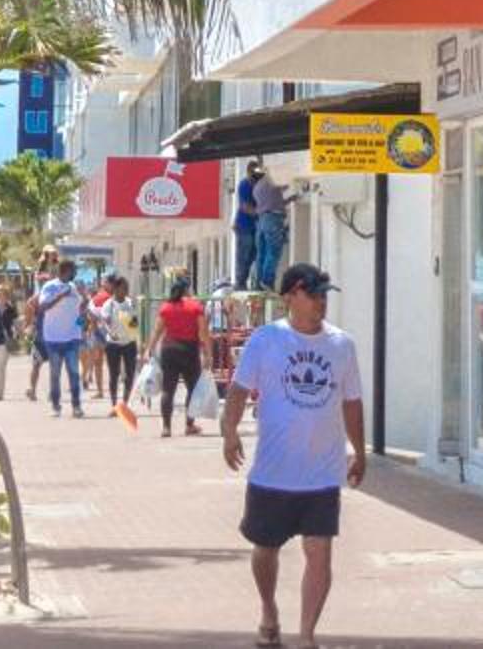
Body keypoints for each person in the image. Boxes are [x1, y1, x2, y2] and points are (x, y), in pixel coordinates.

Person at [221, 263, 365, 649]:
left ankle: (306, 635)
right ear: (290, 296)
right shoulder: (266, 340)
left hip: (322, 473)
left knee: (320, 552)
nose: (321, 301)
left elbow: (352, 403)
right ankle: (269, 610)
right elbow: (238, 390)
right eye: (314, 293)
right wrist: (229, 432)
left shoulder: (341, 345)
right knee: (265, 550)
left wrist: (360, 451)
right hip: (273, 472)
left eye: (324, 294)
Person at [153, 273, 208, 437]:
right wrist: (208, 353)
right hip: (189, 350)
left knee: (168, 390)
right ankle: (189, 425)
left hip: (169, 350)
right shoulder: (195, 307)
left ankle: (166, 427)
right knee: (192, 388)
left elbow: (158, 331)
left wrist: (149, 348)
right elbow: (203, 332)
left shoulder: (166, 307)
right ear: (187, 290)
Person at [33, 257, 88, 417]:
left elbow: (81, 309)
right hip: (54, 338)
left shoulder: (74, 287)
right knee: (55, 373)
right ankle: (56, 406)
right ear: (65, 271)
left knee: (74, 373)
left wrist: (84, 298)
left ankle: (76, 406)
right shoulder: (50, 286)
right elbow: (42, 307)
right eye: (73, 271)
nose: (75, 274)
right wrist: (61, 296)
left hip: (72, 338)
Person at [99, 272, 141, 414]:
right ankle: (114, 405)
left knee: (130, 375)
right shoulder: (109, 305)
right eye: (122, 288)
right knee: (114, 374)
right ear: (115, 289)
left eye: (126, 288)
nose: (125, 291)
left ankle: (125, 403)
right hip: (113, 344)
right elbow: (105, 321)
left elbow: (135, 324)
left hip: (129, 343)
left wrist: (131, 322)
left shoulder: (130, 303)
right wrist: (109, 330)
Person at [250, 168, 290, 291]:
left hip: (261, 220)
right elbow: (285, 186)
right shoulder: (271, 180)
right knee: (273, 252)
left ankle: (259, 283)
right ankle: (267, 281)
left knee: (262, 254)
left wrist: (289, 199)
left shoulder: (257, 188)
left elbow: (274, 200)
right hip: (273, 218)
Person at [231, 163, 262, 287]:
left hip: (255, 227)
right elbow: (245, 207)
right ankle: (240, 282)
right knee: (244, 254)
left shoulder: (258, 184)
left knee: (253, 254)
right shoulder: (244, 185)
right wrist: (261, 214)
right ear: (249, 172)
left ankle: (246, 280)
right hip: (244, 226)